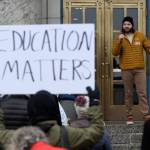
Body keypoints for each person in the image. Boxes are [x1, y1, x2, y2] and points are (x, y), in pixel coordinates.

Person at [27, 90, 104, 150]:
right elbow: (96, 132)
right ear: (54, 109)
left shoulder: (22, 137)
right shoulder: (66, 134)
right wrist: (94, 103)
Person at [112, 16, 150, 125]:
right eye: (125, 24)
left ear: (132, 25)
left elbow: (148, 47)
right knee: (128, 93)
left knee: (142, 93)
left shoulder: (140, 36)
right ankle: (129, 116)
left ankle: (146, 115)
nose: (126, 26)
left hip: (139, 70)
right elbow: (114, 53)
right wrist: (119, 40)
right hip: (126, 70)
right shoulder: (119, 37)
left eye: (128, 24)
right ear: (122, 26)